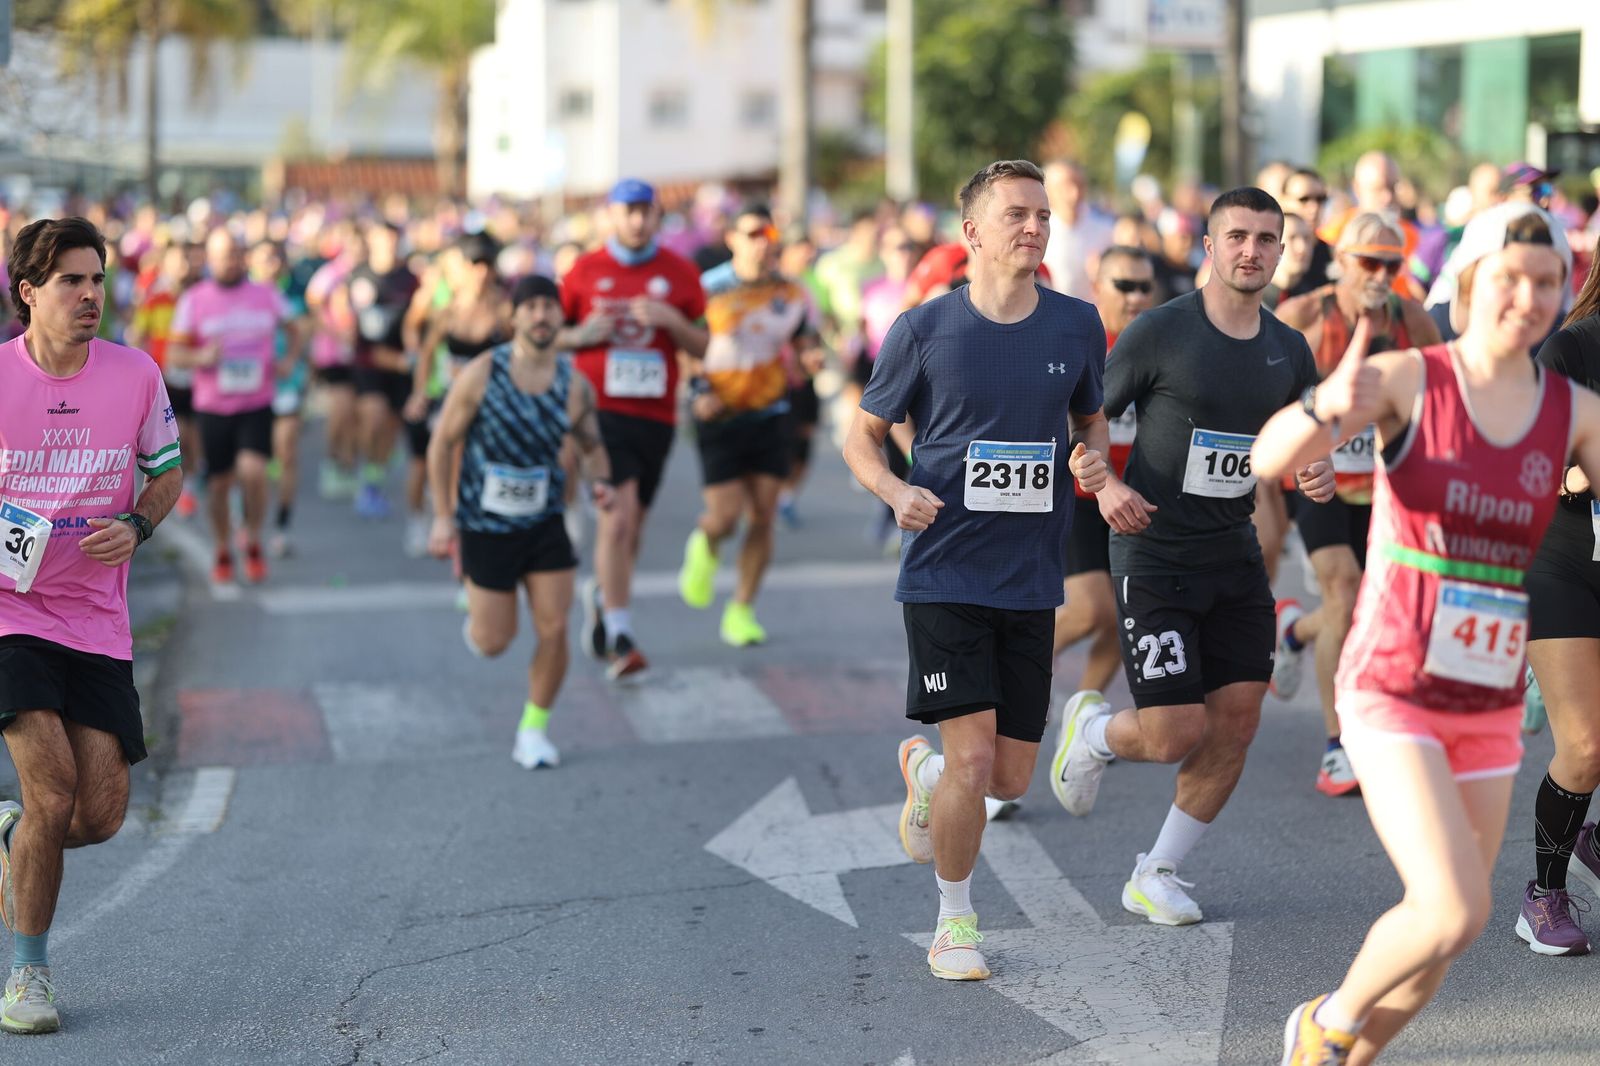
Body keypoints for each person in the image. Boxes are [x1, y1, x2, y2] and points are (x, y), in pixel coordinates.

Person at [1258, 202, 1583, 1064]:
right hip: (1393, 682)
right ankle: (1321, 1024)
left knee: (1441, 945)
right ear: (1472, 282)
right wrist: (1324, 406)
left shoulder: (1574, 411)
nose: (1530, 296)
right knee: (1452, 907)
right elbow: (1269, 457)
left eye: (1548, 280)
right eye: (1512, 277)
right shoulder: (1411, 377)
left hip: (1485, 695)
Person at [844, 159, 1109, 980]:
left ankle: (921, 774)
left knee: (1009, 773)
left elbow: (1091, 423)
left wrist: (1095, 465)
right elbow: (860, 436)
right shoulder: (923, 330)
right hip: (944, 570)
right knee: (973, 762)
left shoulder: (1075, 325)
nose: (1033, 226)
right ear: (973, 232)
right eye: (1015, 215)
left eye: (1041, 214)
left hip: (1032, 577)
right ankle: (955, 921)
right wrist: (894, 490)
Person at [1050, 187, 1332, 926]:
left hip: (1233, 556)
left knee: (1237, 723)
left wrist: (1315, 468)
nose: (1252, 250)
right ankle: (1093, 733)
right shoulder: (1160, 333)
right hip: (1155, 554)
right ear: (1208, 246)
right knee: (1176, 732)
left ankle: (1157, 870)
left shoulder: (1288, 349)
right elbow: (1084, 421)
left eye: (1266, 239)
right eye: (1236, 236)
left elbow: (1302, 438)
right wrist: (1104, 481)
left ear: (1280, 250)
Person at [0, 216, 184, 1034]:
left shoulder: (136, 375)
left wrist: (138, 527)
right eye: (72, 281)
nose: (90, 295)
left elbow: (167, 472)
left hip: (95, 615)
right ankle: (27, 977)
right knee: (53, 786)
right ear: (28, 292)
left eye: (97, 279)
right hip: (8, 609)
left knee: (99, 812)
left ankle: (13, 836)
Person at [1272, 214, 1442, 797]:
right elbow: (1257, 396)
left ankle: (1295, 631)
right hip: (1316, 480)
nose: (1380, 274)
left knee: (1373, 609)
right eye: (1368, 261)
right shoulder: (1305, 317)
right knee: (1343, 589)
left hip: (1383, 485)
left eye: (1391, 264)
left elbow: (1443, 402)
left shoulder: (1412, 319)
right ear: (1341, 259)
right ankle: (1337, 744)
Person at [426, 275, 614, 769]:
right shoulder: (484, 373)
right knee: (493, 643)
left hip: (544, 522)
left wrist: (604, 482)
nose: (541, 315)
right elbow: (443, 442)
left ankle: (533, 730)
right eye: (530, 306)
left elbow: (592, 443)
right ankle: (473, 593)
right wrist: (443, 518)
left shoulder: (573, 384)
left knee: (554, 628)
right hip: (485, 525)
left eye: (549, 307)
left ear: (560, 317)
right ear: (514, 318)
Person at [558, 179, 708, 681]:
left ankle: (602, 596)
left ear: (657, 216)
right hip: (598, 413)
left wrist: (669, 320)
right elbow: (548, 334)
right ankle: (621, 634)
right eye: (628, 211)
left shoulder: (679, 273)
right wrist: (583, 335)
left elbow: (704, 346)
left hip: (656, 416)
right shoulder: (584, 270)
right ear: (611, 216)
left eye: (646, 211)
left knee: (632, 527)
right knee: (615, 521)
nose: (638, 221)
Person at [679, 206, 821, 646]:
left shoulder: (790, 292)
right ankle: (705, 544)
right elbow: (683, 346)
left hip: (770, 413)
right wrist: (697, 391)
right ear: (733, 240)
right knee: (725, 516)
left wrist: (811, 357)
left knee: (762, 515)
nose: (762, 241)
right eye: (752, 233)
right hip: (719, 412)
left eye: (768, 233)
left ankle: (740, 610)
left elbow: (805, 341)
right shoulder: (708, 288)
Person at [1516, 241, 1600, 955]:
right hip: (1566, 561)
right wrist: (1569, 475)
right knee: (1585, 743)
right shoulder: (1573, 348)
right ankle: (1543, 895)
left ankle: (1592, 838)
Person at [1052, 246, 1153, 700]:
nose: (1135, 296)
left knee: (1131, 614)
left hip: (1138, 498)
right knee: (1091, 608)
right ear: (1097, 288)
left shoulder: (1160, 345)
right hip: (1081, 497)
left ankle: (1082, 711)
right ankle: (1011, 679)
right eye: (1123, 285)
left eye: (1144, 287)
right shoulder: (1078, 342)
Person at [168, 228, 295, 584]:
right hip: (213, 407)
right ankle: (223, 546)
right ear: (210, 260)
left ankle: (252, 538)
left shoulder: (266, 294)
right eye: (223, 256)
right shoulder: (194, 299)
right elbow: (174, 353)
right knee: (220, 485)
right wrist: (201, 355)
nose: (231, 262)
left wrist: (290, 360)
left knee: (254, 472)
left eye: (237, 254)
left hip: (257, 402)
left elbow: (297, 326)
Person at [345, 221, 420, 520]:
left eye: (392, 241)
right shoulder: (359, 276)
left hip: (401, 363)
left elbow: (418, 317)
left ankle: (375, 478)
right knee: (373, 417)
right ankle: (365, 472)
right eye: (382, 241)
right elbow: (348, 320)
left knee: (390, 427)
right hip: (368, 362)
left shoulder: (410, 279)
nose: (388, 247)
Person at [125, 240, 202, 518]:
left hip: (198, 375)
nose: (183, 266)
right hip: (166, 377)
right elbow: (137, 333)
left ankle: (192, 478)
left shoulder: (200, 295)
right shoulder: (155, 298)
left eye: (188, 260)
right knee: (182, 433)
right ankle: (186, 488)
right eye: (177, 261)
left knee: (195, 436)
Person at [248, 239, 311, 559]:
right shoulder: (242, 296)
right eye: (263, 259)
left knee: (286, 453)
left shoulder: (294, 294)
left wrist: (293, 362)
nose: (270, 264)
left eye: (274, 258)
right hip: (247, 389)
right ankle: (249, 519)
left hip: (286, 385)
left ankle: (282, 525)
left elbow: (303, 331)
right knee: (252, 464)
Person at [1041, 160, 1114, 302]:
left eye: (1080, 185)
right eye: (1065, 186)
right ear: (1047, 190)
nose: (1074, 193)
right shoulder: (1036, 230)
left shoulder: (1106, 230)